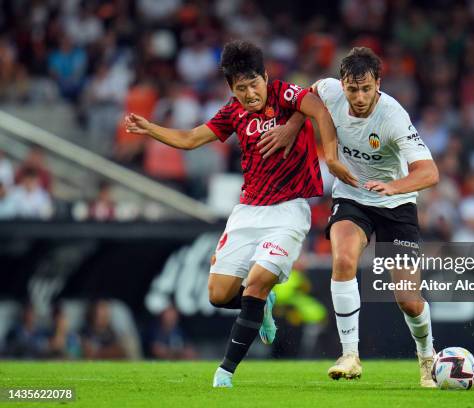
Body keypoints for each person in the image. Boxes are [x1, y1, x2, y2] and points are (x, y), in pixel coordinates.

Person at [125, 40, 355, 388]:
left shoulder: (285, 94)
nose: (249, 93)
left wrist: (328, 154)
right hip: (247, 212)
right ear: (231, 88)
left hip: (289, 211)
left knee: (256, 284)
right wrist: (150, 128)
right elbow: (190, 138)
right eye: (240, 88)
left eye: (254, 84)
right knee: (218, 295)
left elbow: (320, 107)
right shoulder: (233, 113)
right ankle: (262, 307)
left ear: (265, 76)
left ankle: (225, 373)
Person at [266, 47, 439, 386]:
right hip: (352, 196)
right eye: (352, 89)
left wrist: (396, 186)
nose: (359, 97)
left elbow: (430, 172)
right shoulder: (330, 90)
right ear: (343, 84)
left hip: (396, 204)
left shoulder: (392, 117)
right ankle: (350, 355)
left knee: (408, 299)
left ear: (378, 84)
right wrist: (293, 126)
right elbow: (309, 95)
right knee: (343, 258)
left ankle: (427, 356)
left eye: (366, 89)